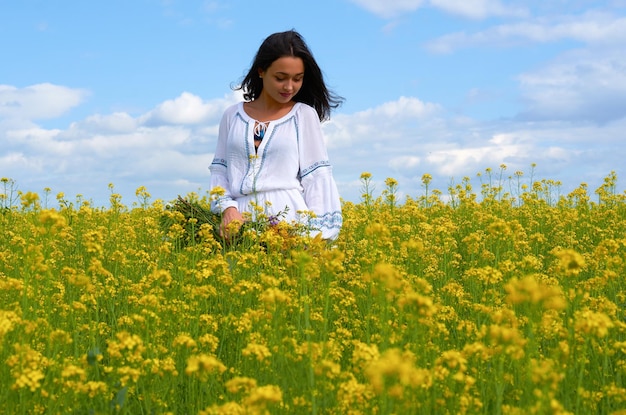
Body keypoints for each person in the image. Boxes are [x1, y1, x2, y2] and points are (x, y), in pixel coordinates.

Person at [209, 30, 344, 240]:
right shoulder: (232, 116)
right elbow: (220, 171)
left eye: (297, 79)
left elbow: (317, 179)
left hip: (289, 223)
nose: (289, 87)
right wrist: (227, 208)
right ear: (261, 71)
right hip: (238, 227)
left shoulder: (303, 115)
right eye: (280, 78)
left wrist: (315, 238)